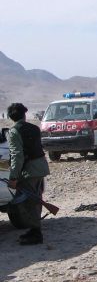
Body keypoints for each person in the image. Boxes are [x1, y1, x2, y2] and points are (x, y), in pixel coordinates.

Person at [6, 103, 50, 245]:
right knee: (36, 199)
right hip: (40, 167)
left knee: (29, 202)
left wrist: (13, 177)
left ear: (11, 117)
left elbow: (17, 155)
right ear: (24, 115)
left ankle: (36, 233)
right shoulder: (34, 128)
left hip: (29, 170)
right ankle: (34, 229)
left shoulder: (13, 132)